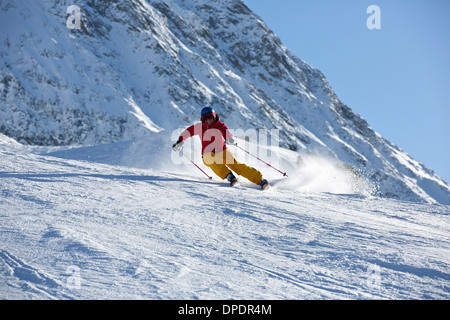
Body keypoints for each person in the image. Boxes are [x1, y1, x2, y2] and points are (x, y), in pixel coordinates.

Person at [172, 107, 269, 190]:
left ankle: (260, 180)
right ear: (201, 119)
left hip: (222, 151)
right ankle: (229, 176)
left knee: (236, 166)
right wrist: (180, 142)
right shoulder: (199, 127)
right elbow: (187, 132)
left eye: (209, 116)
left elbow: (226, 131)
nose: (207, 120)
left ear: (214, 116)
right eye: (204, 118)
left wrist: (229, 138)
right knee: (208, 159)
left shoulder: (219, 125)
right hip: (207, 153)